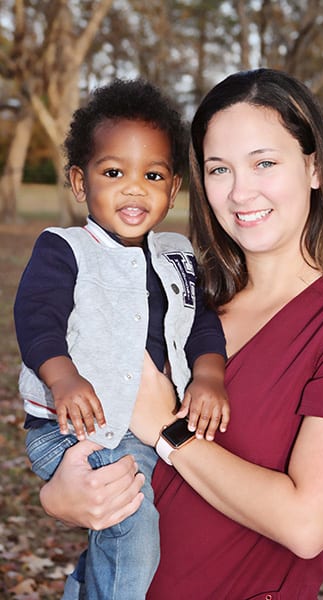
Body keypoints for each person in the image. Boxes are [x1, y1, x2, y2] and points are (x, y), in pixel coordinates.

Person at [37, 68, 323, 599]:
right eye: (219, 169)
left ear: (314, 167)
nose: (240, 192)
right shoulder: (186, 299)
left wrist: (168, 427)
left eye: (265, 163)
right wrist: (61, 497)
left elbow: (306, 524)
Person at [14, 78, 229, 600]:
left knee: (122, 538)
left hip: (140, 434)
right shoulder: (65, 249)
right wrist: (62, 376)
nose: (134, 188)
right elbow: (36, 316)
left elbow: (199, 322)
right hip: (72, 428)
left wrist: (209, 376)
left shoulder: (177, 253)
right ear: (80, 181)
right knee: (133, 534)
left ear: (173, 188)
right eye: (113, 172)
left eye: (152, 175)